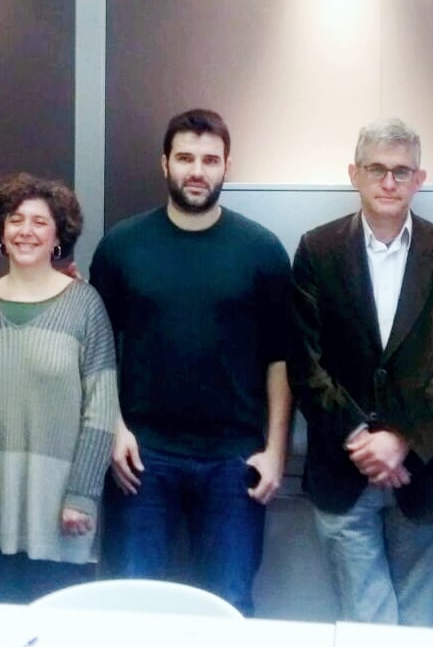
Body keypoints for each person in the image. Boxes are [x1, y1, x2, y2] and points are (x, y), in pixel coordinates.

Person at [88, 108, 292, 615]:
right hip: (141, 457)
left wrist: (275, 452)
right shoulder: (121, 246)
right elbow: (97, 349)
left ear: (227, 166)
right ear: (165, 164)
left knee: (230, 605)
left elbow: (281, 359)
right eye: (185, 158)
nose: (197, 171)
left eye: (209, 160)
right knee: (130, 606)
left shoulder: (262, 250)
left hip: (234, 460)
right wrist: (114, 429)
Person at [290, 117, 433, 626]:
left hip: (425, 475)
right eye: (377, 169)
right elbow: (305, 363)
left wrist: (401, 439)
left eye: (402, 171)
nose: (389, 182)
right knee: (366, 626)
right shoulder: (317, 251)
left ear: (420, 179)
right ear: (354, 174)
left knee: (417, 628)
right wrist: (361, 439)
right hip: (342, 470)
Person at [0, 173, 118, 603]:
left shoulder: (84, 305)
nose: (26, 231)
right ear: (1, 232)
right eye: (15, 220)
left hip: (59, 508)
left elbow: (101, 408)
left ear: (58, 236)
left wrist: (82, 496)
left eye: (39, 221)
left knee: (58, 631)